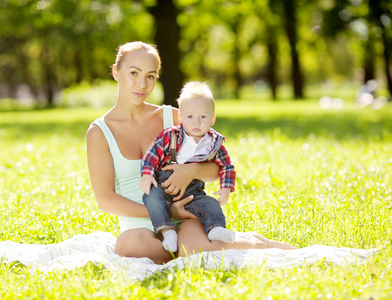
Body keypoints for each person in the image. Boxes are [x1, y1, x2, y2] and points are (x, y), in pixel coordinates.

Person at [86, 41, 296, 265]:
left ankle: (259, 243)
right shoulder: (100, 132)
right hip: (140, 225)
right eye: (134, 73)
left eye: (151, 76)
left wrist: (192, 171)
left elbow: (218, 167)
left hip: (186, 214)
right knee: (128, 245)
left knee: (194, 249)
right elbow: (106, 201)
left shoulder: (174, 117)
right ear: (116, 72)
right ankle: (188, 248)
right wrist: (167, 212)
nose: (142, 84)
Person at [140, 81, 236, 253]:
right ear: (181, 118)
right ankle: (167, 231)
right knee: (153, 200)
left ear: (212, 118)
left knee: (211, 204)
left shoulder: (213, 143)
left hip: (193, 192)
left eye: (203, 117)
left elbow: (226, 165)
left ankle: (215, 229)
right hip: (163, 186)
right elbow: (151, 155)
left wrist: (226, 188)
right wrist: (147, 175)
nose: (196, 122)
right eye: (190, 117)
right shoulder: (171, 136)